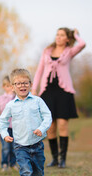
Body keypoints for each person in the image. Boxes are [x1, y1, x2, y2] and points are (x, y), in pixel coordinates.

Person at [31, 28, 86, 168]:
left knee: (62, 124)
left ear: (67, 38)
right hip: (47, 91)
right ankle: (55, 159)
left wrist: (75, 35)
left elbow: (82, 44)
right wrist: (34, 88)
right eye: (57, 34)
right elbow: (39, 71)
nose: (58, 37)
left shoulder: (69, 51)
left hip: (64, 92)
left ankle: (63, 160)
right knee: (50, 126)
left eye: (62, 35)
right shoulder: (47, 51)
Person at [0, 69, 52, 176]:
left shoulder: (37, 101)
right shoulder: (10, 105)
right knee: (26, 170)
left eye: (25, 83)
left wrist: (41, 128)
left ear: (30, 84)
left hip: (37, 144)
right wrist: (5, 135)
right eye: (18, 83)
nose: (22, 86)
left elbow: (47, 116)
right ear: (13, 86)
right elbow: (2, 123)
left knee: (38, 172)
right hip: (20, 145)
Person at [0, 75, 18, 172]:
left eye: (10, 86)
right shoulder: (1, 98)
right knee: (6, 147)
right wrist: (10, 96)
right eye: (7, 86)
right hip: (5, 127)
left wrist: (13, 96)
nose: (9, 88)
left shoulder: (17, 97)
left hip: (15, 127)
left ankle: (13, 163)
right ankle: (4, 164)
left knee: (14, 147)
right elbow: (3, 108)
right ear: (3, 87)